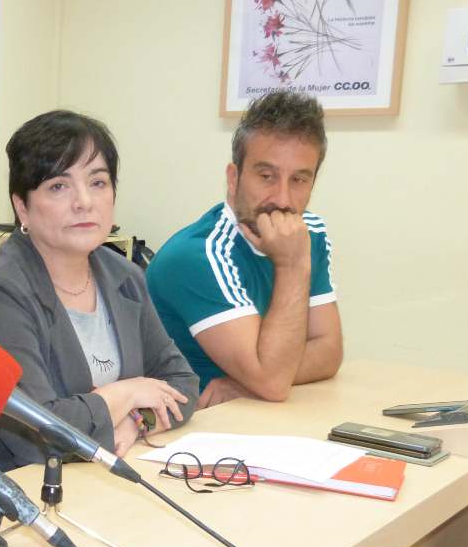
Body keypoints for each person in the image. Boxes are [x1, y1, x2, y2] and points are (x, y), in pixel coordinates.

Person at [0, 110, 197, 471]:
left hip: (104, 475)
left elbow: (182, 384)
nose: (84, 201)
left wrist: (137, 419)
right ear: (22, 208)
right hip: (21, 492)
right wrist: (122, 394)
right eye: (58, 186)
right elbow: (36, 435)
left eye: (97, 182)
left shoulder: (124, 276)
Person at [146, 90, 342, 408]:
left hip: (254, 416)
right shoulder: (197, 255)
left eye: (299, 180)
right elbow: (273, 383)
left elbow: (329, 350)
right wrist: (292, 265)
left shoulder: (309, 232)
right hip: (189, 435)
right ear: (234, 178)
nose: (282, 199)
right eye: (266, 176)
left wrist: (247, 384)